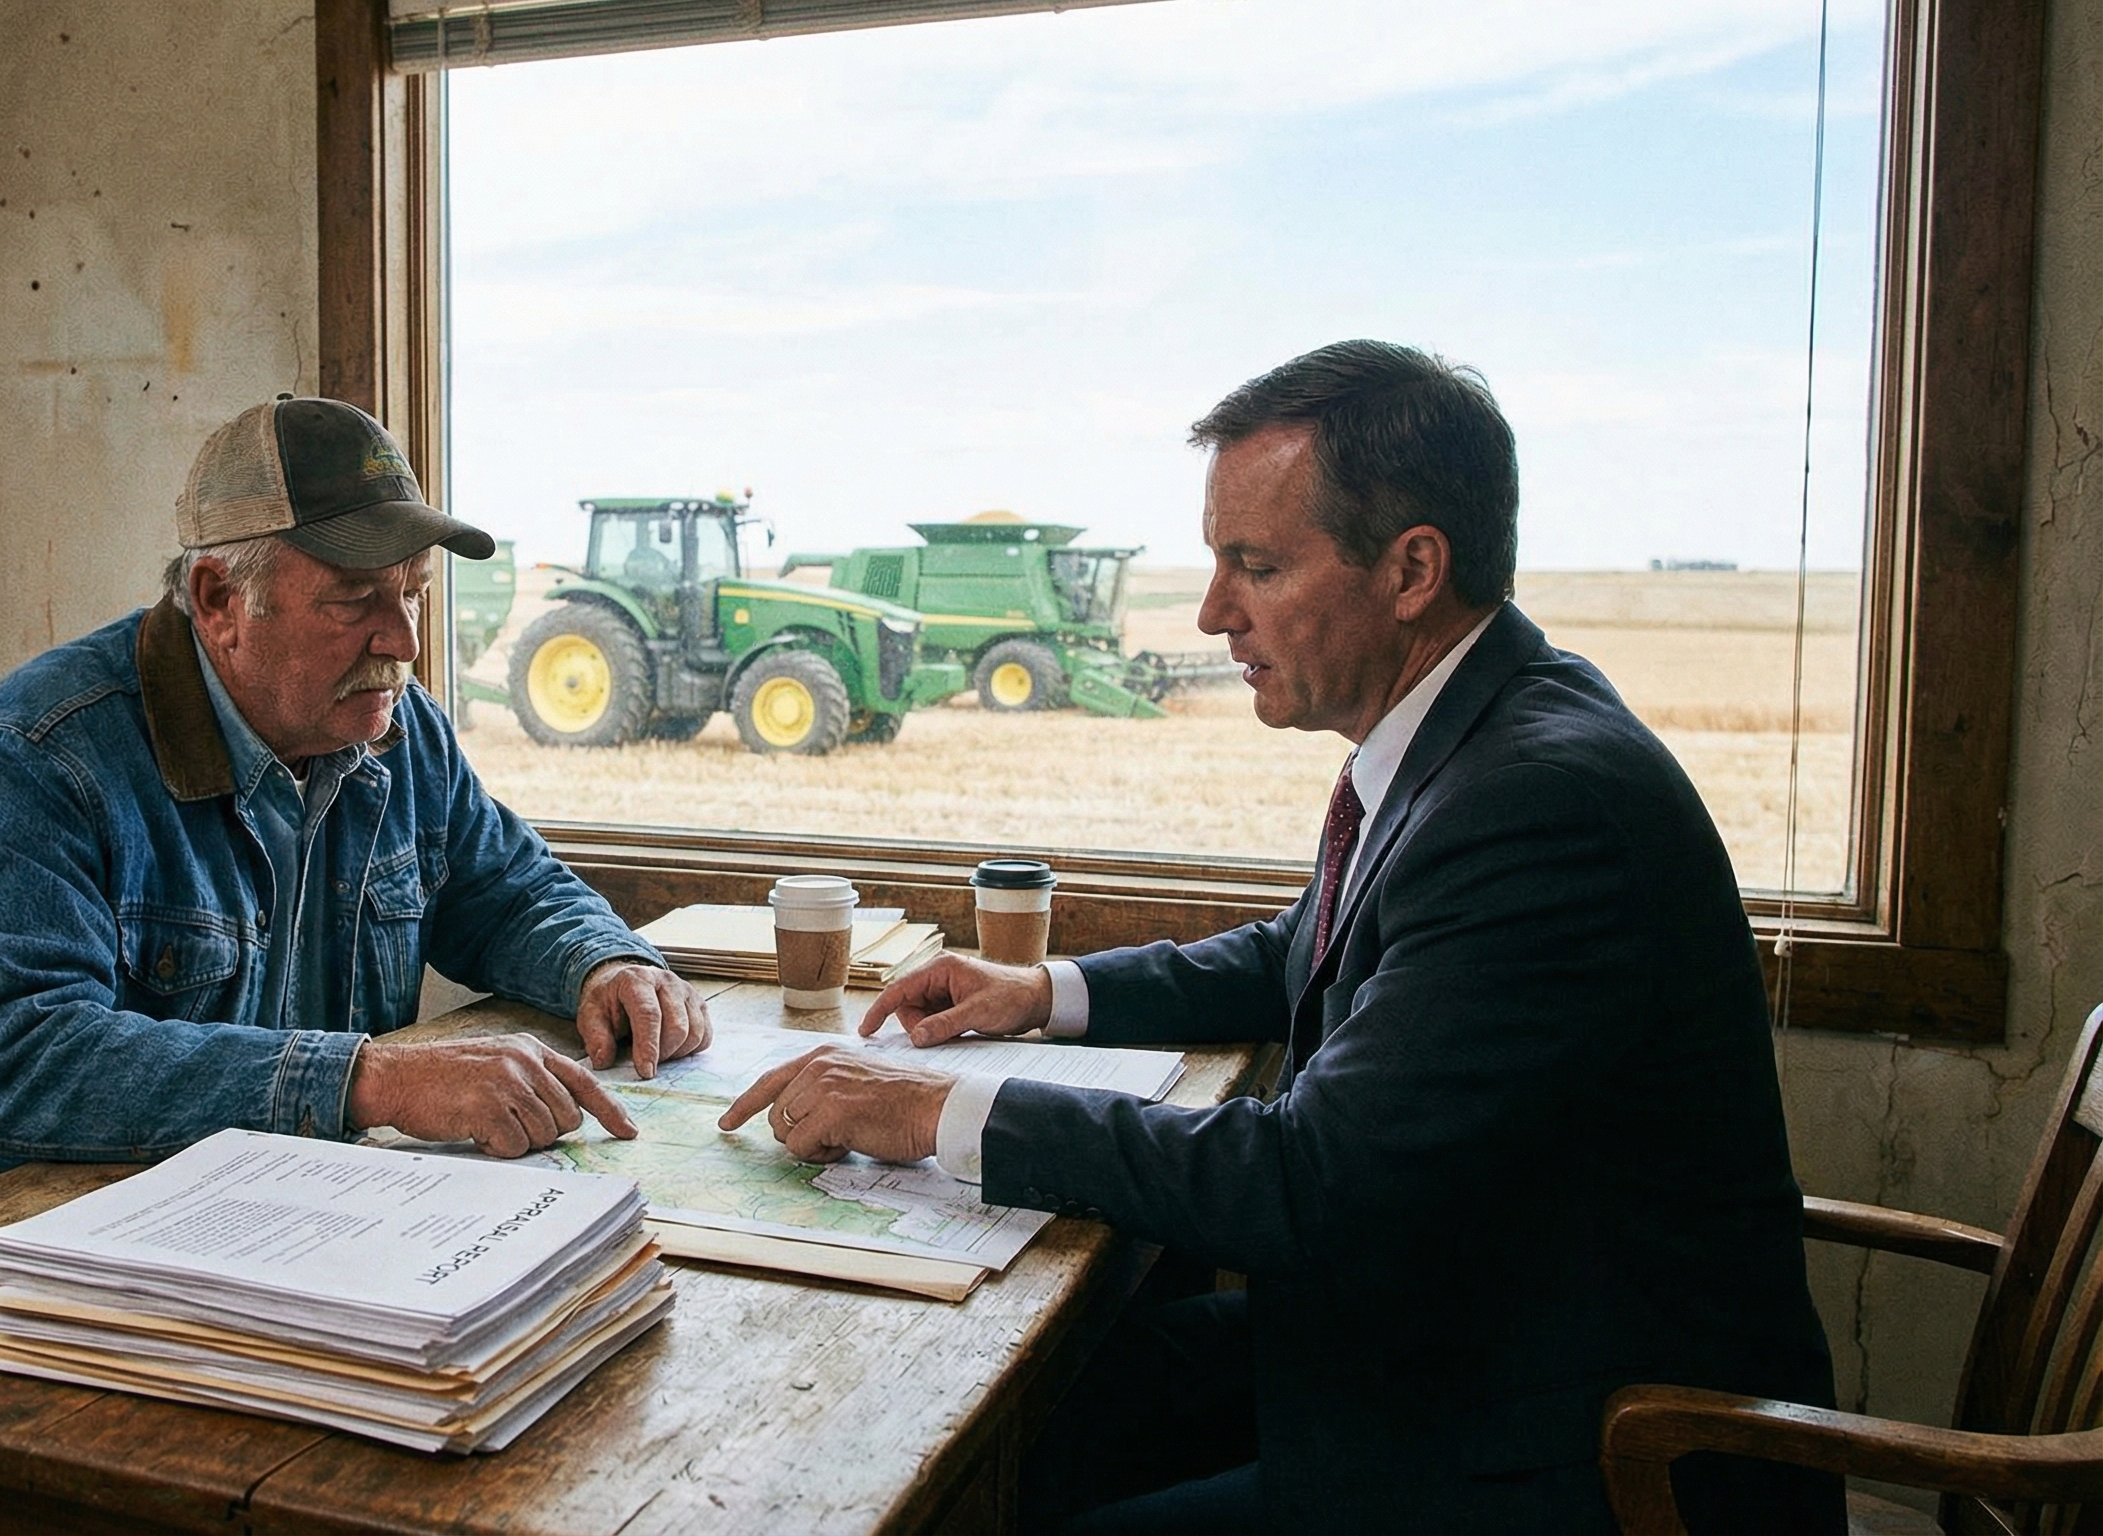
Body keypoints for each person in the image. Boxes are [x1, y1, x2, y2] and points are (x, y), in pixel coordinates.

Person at [721, 342, 1840, 1534]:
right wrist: (1037, 990)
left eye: (1253, 565)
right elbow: (1297, 953)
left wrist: (931, 1112)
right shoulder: (1473, 724)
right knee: (1037, 1420)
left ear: (1412, 568)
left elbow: (1307, 1181)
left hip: (1566, 1442)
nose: (1212, 613)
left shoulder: (1540, 804)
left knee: (1015, 1461)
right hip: (1450, 1324)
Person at [0, 395, 710, 1207]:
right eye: (355, 601)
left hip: (274, 1202)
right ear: (218, 601)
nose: (405, 642)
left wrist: (606, 961)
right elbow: (16, 1066)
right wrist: (365, 1080)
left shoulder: (397, 729)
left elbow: (506, 891)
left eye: (412, 591)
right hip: (6, 1232)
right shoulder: (33, 758)